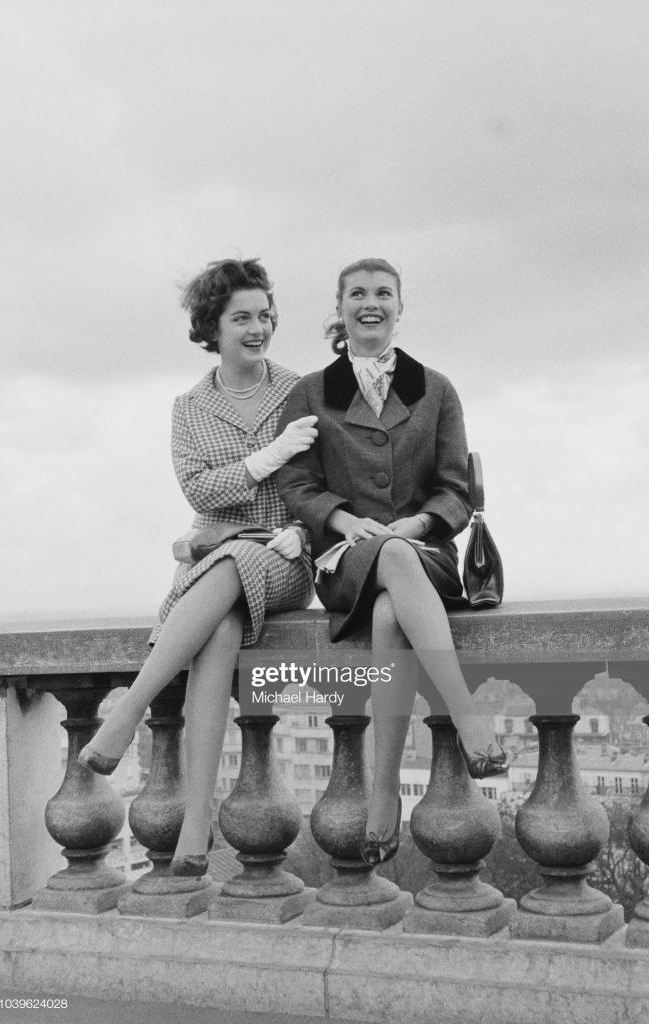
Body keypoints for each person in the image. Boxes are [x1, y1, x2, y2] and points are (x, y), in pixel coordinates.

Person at [79, 258, 317, 875]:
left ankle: (129, 709)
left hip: (287, 559)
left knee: (238, 562)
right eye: (242, 318)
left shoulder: (302, 390)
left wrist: (301, 530)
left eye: (265, 315)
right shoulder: (189, 407)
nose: (258, 328)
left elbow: (327, 483)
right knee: (220, 630)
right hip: (216, 564)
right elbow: (199, 490)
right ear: (212, 326)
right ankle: (194, 823)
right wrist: (266, 459)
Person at [276, 257, 506, 866]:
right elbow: (295, 485)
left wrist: (419, 524)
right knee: (385, 574)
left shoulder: (437, 389)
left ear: (400, 308)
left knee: (390, 610)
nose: (370, 303)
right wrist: (346, 522)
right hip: (345, 558)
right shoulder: (309, 392)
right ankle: (467, 717)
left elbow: (456, 488)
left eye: (383, 293)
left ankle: (383, 793)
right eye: (357, 294)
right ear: (340, 307)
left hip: (425, 552)